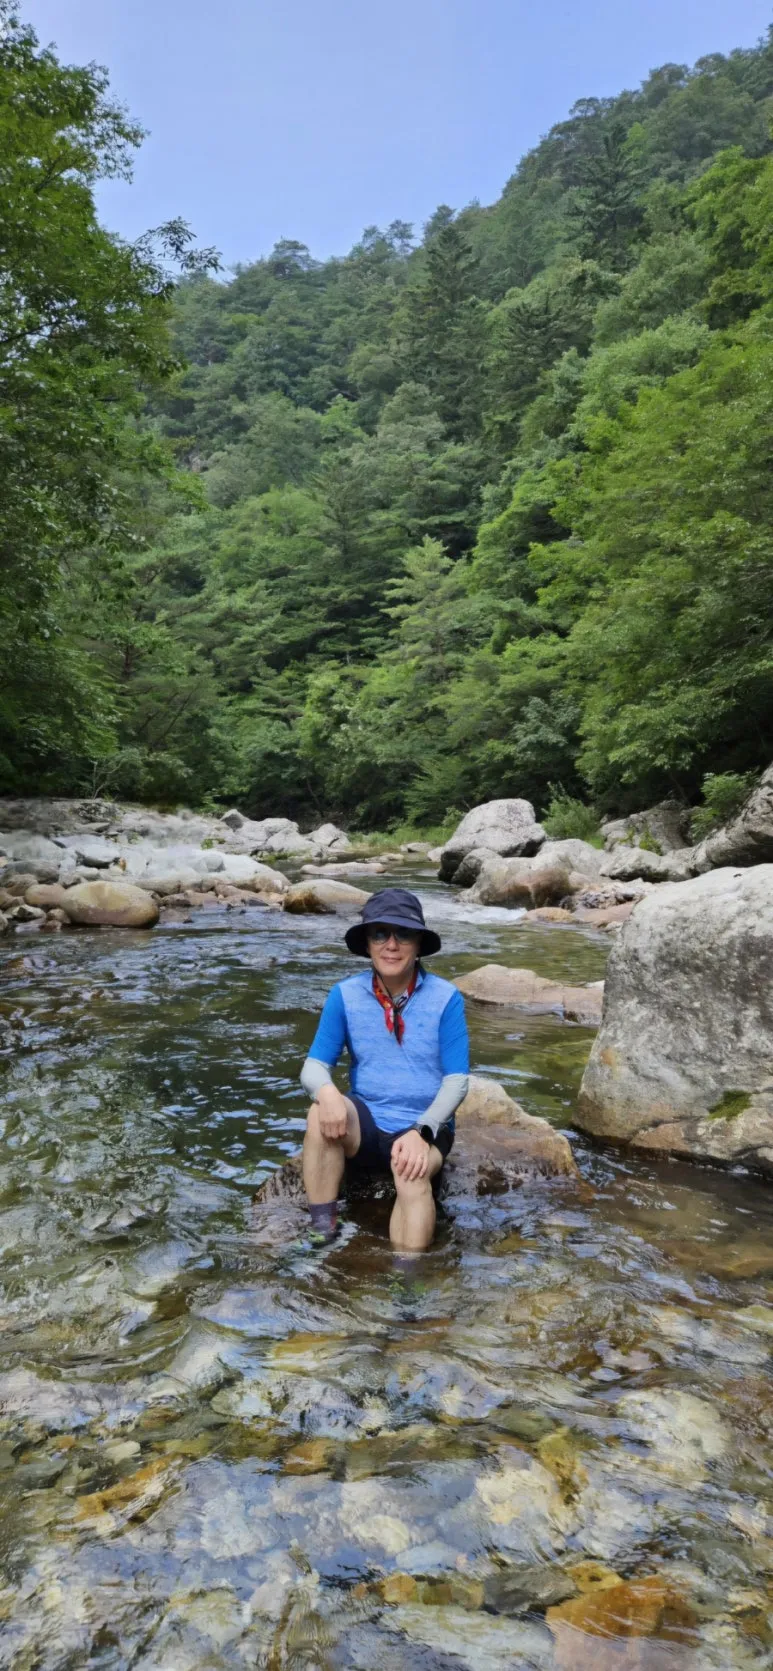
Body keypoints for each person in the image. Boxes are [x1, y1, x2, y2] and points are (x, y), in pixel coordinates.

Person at [299, 888, 469, 1252]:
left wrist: (423, 1131)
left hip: (425, 1127)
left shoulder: (446, 998)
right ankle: (322, 1231)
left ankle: (406, 1275)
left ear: (418, 944)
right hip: (367, 1125)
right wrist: (327, 1092)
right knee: (318, 1113)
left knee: (411, 1174)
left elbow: (457, 1082)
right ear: (367, 943)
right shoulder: (344, 995)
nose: (391, 945)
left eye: (403, 934)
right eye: (380, 934)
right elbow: (314, 1066)